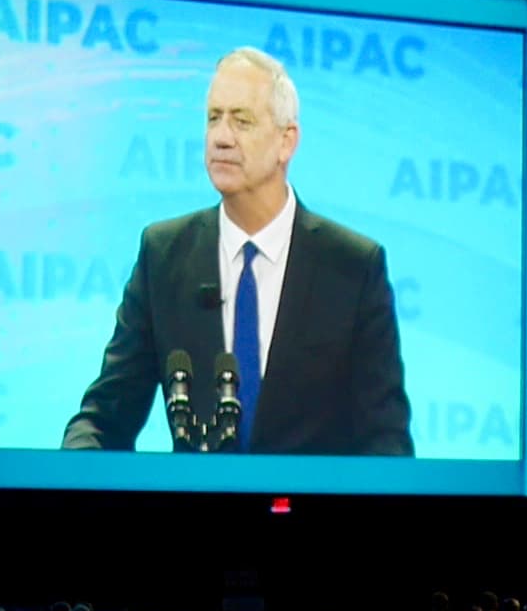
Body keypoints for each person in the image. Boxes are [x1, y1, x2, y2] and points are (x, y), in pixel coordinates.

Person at [64, 46, 413, 455]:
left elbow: (384, 440)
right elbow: (106, 415)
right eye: (214, 118)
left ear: (287, 142)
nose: (221, 137)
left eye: (241, 121)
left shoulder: (353, 267)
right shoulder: (164, 255)